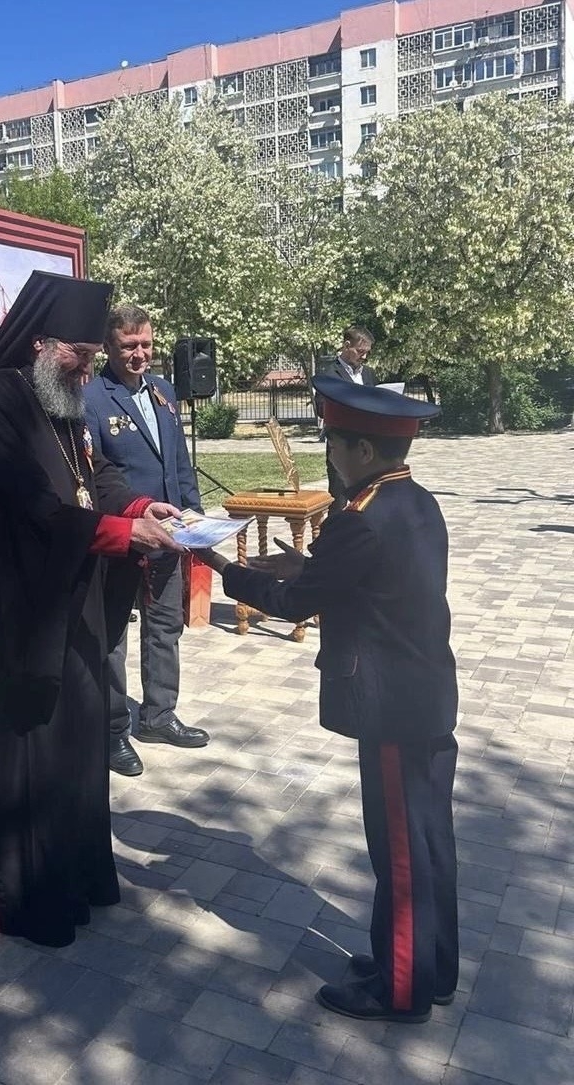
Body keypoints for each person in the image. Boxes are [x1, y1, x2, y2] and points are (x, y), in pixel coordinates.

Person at [0, 271, 184, 947]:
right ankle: (14, 892)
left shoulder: (60, 395)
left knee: (73, 740)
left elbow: (89, 474)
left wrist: (135, 506)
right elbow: (27, 517)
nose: (89, 368)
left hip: (63, 601)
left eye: (95, 358)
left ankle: (71, 871)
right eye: (82, 354)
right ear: (42, 342)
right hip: (6, 621)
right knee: (26, 753)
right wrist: (121, 536)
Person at [197, 376, 458, 1024]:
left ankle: (401, 989)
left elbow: (296, 601)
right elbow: (365, 580)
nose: (329, 454)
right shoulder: (417, 502)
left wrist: (223, 566)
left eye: (334, 442)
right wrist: (307, 565)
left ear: (364, 451)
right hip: (429, 697)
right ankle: (434, 965)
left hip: (392, 707)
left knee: (398, 850)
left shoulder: (361, 519)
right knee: (430, 841)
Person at [84, 304, 209, 777]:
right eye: (128, 347)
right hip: (124, 538)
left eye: (146, 345)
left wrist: (193, 514)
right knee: (112, 636)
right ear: (109, 348)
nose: (140, 355)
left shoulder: (163, 391)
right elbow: (94, 477)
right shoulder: (92, 398)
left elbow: (176, 461)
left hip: (169, 536)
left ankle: (158, 715)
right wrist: (130, 523)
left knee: (164, 627)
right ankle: (113, 730)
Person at [317, 326, 376, 510]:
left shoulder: (368, 374)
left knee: (367, 503)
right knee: (339, 503)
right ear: (346, 345)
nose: (364, 357)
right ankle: (336, 538)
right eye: (360, 351)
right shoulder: (329, 376)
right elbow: (321, 408)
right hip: (342, 448)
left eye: (367, 353)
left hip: (368, 448)